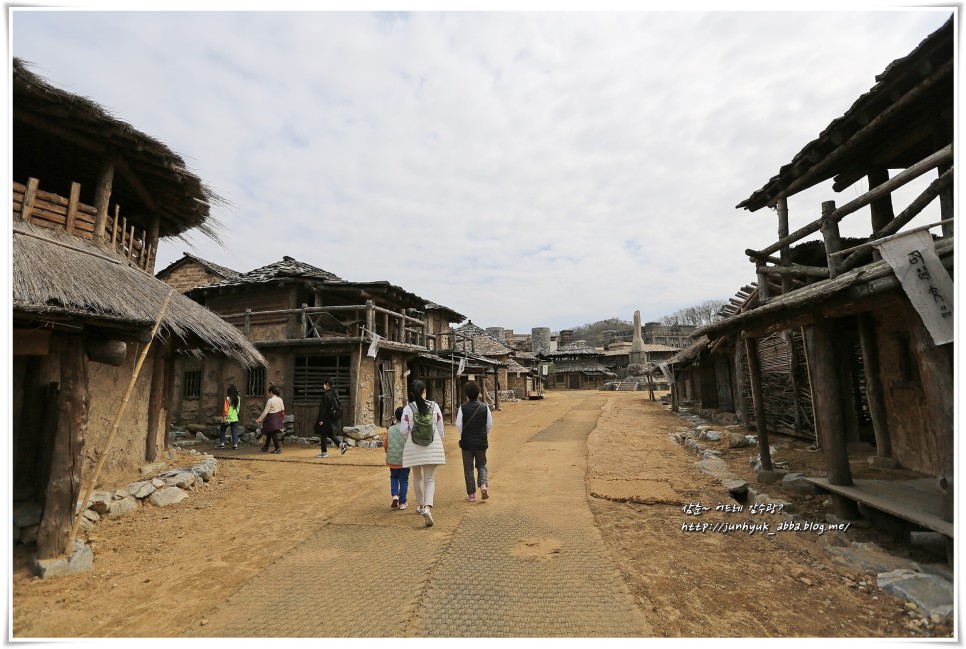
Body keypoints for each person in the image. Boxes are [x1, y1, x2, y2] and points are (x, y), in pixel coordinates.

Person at [399, 379, 445, 527]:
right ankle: (428, 508)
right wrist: (436, 438)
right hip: (432, 446)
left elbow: (403, 431)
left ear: (411, 394)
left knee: (417, 478)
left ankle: (420, 506)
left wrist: (412, 438)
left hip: (414, 447)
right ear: (425, 391)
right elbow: (440, 428)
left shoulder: (407, 409)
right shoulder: (434, 406)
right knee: (430, 479)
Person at [456, 381, 493, 502]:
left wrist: (465, 434)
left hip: (466, 443)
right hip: (481, 441)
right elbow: (489, 424)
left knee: (468, 468)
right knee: (482, 464)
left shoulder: (462, 408)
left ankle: (471, 494)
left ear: (466, 395)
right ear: (479, 394)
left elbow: (459, 426)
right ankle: (483, 485)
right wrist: (483, 434)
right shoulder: (485, 407)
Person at [384, 406, 410, 510]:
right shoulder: (408, 429)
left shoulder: (390, 429)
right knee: (404, 480)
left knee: (394, 477)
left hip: (393, 459)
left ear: (395, 417)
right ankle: (402, 502)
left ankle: (395, 495)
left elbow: (385, 444)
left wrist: (388, 453)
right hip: (405, 460)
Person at [316, 378, 348, 458]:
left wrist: (321, 419)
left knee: (323, 434)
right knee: (330, 434)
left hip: (326, 417)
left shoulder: (326, 395)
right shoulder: (335, 393)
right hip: (333, 417)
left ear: (327, 384)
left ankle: (324, 452)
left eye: (324, 384)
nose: (323, 386)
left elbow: (323, 409)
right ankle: (341, 444)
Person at [256, 384, 285, 454]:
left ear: (271, 392)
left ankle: (277, 448)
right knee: (269, 432)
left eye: (269, 392)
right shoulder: (280, 399)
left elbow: (266, 411)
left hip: (271, 418)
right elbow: (282, 409)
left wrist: (259, 419)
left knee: (272, 433)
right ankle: (266, 446)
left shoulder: (270, 400)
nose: (269, 394)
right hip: (278, 417)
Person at [216, 384, 242, 450]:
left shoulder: (228, 398)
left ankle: (222, 443)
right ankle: (235, 444)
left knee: (222, 430)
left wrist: (224, 417)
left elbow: (226, 408)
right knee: (234, 431)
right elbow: (238, 408)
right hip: (235, 417)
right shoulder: (238, 398)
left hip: (228, 418)